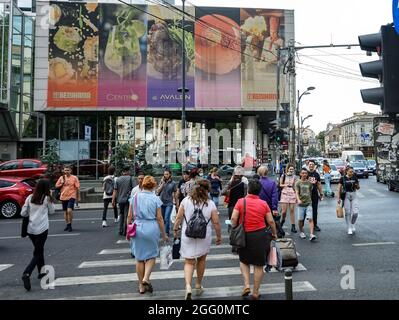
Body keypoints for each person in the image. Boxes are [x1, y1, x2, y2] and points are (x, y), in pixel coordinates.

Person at [173, 179, 222, 300]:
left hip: (187, 234)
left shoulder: (186, 201)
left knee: (189, 262)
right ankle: (198, 285)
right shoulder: (210, 204)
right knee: (201, 260)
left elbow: (178, 218)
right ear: (207, 190)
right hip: (203, 235)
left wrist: (175, 230)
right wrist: (219, 236)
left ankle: (188, 286)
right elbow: (216, 222)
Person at [231, 179, 277, 300]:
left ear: (248, 189)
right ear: (259, 191)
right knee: (258, 265)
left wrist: (234, 227)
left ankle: (246, 285)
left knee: (244, 261)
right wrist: (274, 233)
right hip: (260, 236)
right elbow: (271, 221)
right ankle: (256, 292)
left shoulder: (240, 202)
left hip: (244, 236)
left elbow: (233, 219)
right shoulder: (263, 203)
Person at [127, 176, 168, 294]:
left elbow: (129, 216)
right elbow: (160, 218)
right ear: (154, 185)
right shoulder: (156, 199)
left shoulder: (135, 197)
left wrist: (128, 231)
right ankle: (146, 278)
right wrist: (164, 234)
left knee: (139, 258)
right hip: (151, 227)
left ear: (143, 184)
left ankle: (141, 286)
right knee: (151, 256)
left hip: (138, 227)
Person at [21, 179, 55, 291]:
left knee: (39, 250)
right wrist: (51, 198)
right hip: (42, 229)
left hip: (31, 229)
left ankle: (42, 272)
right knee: (38, 252)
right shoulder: (46, 198)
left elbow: (23, 213)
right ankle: (27, 273)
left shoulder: (30, 197)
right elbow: (52, 212)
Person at [56, 165, 80, 232]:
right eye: (65, 170)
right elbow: (56, 186)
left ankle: (70, 225)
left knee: (69, 210)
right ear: (63, 171)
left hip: (72, 196)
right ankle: (68, 224)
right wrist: (62, 184)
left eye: (68, 170)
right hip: (63, 196)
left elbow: (77, 188)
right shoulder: (61, 177)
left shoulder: (74, 178)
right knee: (65, 212)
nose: (66, 171)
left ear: (71, 171)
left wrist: (78, 197)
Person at [112, 166, 135, 236]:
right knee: (127, 215)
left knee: (121, 214)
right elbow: (134, 189)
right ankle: (125, 231)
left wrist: (113, 200)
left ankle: (120, 230)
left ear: (123, 172)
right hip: (128, 200)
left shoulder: (118, 179)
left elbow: (115, 191)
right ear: (128, 171)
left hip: (120, 200)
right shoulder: (131, 178)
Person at [295, 168, 317, 241]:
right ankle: (301, 231)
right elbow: (297, 192)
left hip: (308, 203)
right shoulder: (298, 183)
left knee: (310, 218)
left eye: (305, 173)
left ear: (307, 174)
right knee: (300, 220)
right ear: (300, 174)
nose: (304, 174)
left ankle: (311, 234)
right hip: (301, 204)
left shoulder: (309, 183)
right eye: (303, 173)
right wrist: (298, 199)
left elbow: (310, 192)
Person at [337, 166, 360, 235]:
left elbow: (358, 188)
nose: (352, 173)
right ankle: (349, 227)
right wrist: (338, 198)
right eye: (350, 171)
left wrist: (357, 185)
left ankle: (352, 223)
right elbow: (339, 189)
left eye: (352, 171)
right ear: (347, 171)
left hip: (354, 195)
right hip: (346, 195)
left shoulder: (355, 177)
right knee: (348, 212)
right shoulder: (343, 178)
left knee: (355, 212)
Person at [156, 169, 178, 237]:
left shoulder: (173, 183)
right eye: (165, 174)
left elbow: (175, 192)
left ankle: (166, 232)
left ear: (170, 175)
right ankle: (164, 230)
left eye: (167, 174)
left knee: (166, 218)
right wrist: (162, 184)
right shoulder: (161, 181)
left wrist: (176, 202)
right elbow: (157, 192)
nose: (165, 175)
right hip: (161, 203)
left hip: (169, 203)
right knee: (162, 218)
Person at [279, 164, 298, 233]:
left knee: (292, 210)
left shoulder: (295, 177)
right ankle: (282, 220)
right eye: (290, 169)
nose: (291, 170)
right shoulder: (283, 176)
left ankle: (293, 226)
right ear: (287, 169)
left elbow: (295, 186)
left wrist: (296, 195)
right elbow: (280, 184)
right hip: (284, 193)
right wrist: (285, 185)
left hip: (292, 193)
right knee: (284, 211)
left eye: (292, 169)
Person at [307, 160, 323, 232]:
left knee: (315, 210)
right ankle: (302, 225)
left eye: (312, 164)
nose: (311, 166)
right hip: (306, 195)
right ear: (308, 165)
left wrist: (321, 193)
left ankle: (315, 225)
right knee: (305, 210)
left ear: (314, 166)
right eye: (310, 164)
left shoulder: (316, 174)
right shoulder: (305, 173)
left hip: (314, 194)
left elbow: (319, 184)